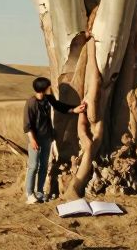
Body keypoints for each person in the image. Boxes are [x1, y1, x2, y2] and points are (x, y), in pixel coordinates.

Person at [23, 76, 86, 204]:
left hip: (47, 138)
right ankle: (29, 194)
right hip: (35, 139)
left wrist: (75, 109)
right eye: (48, 86)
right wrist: (32, 140)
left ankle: (39, 192)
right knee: (33, 166)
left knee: (44, 166)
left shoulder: (48, 98)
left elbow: (59, 106)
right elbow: (27, 124)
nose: (50, 88)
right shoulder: (31, 103)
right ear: (43, 88)